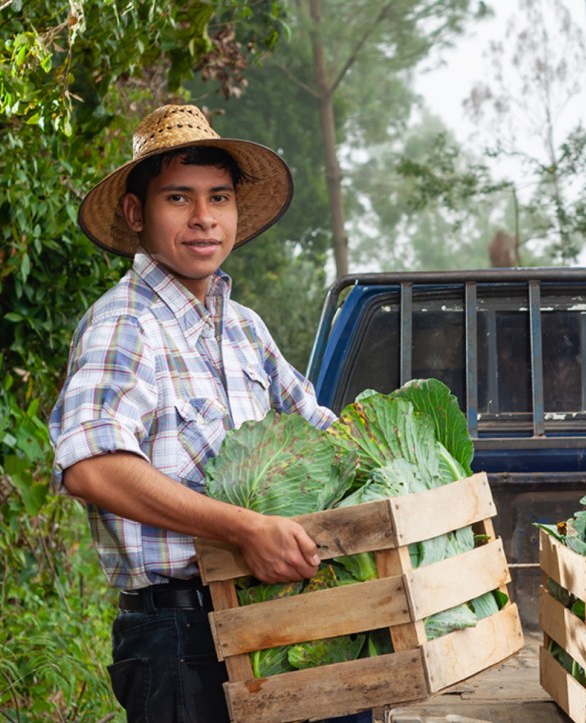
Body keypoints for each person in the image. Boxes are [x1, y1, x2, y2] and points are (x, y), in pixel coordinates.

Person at [49, 105, 371, 722]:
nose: (203, 219)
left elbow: (329, 436)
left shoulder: (245, 329)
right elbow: (92, 467)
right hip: (181, 643)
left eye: (218, 197)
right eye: (179, 198)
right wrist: (246, 529)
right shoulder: (126, 322)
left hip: (276, 622)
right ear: (136, 213)